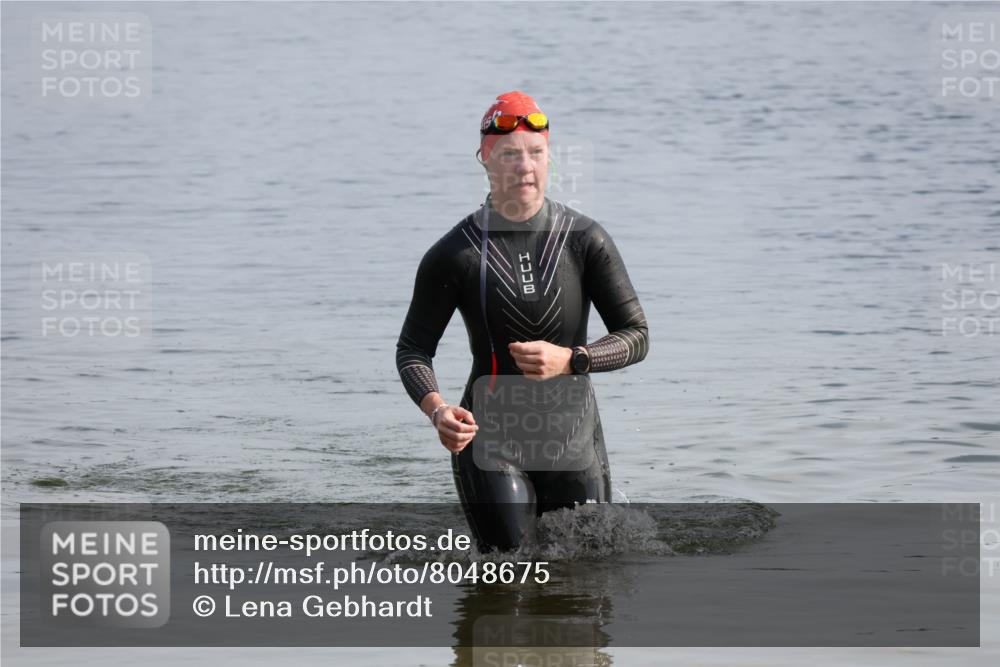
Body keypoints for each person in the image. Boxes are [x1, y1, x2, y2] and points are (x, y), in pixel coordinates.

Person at [395, 91, 649, 552]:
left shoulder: (586, 240)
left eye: (536, 153)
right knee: (507, 582)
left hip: (574, 440)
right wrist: (438, 411)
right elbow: (413, 349)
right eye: (510, 155)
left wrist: (575, 359)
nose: (525, 166)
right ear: (486, 161)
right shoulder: (455, 253)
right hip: (490, 439)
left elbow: (636, 336)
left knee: (586, 588)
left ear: (549, 158)